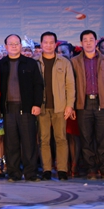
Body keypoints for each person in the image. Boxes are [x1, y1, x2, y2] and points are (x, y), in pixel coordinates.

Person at [71, 30, 104, 180]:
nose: (88, 42)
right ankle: (91, 168)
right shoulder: (74, 61)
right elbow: (71, 86)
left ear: (96, 42)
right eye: (85, 40)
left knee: (103, 138)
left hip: (101, 103)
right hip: (83, 103)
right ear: (81, 43)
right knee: (86, 138)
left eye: (91, 39)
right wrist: (71, 106)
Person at [0, 34, 44, 182]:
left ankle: (31, 173)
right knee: (11, 144)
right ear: (6, 47)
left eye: (16, 43)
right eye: (10, 44)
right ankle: (14, 173)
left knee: (29, 142)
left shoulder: (30, 63)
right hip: (8, 109)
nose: (14, 46)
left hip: (27, 109)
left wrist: (37, 104)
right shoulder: (0, 64)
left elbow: (38, 85)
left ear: (21, 46)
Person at [36, 32, 75, 181]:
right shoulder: (35, 62)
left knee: (61, 139)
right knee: (44, 139)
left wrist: (69, 105)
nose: (48, 45)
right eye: (45, 42)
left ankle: (62, 170)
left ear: (55, 44)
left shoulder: (64, 62)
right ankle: (46, 169)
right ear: (41, 44)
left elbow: (70, 85)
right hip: (42, 107)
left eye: (51, 42)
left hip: (60, 107)